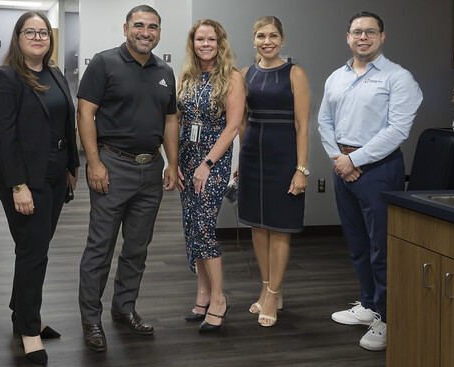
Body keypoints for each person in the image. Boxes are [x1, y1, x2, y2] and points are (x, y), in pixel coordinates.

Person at [317, 11, 423, 351]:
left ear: (382, 37)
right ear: (347, 37)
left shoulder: (398, 78)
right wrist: (339, 160)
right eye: (357, 32)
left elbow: (397, 131)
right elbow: (324, 121)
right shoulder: (336, 77)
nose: (364, 37)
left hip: (379, 169)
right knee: (358, 243)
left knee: (382, 248)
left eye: (371, 32)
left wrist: (354, 160)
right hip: (343, 167)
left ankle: (388, 318)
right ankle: (368, 304)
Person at [77, 4, 178, 352]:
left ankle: (124, 308)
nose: (145, 32)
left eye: (152, 27)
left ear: (159, 32)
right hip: (112, 165)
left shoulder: (165, 71)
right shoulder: (104, 63)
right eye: (139, 25)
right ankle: (91, 319)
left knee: (137, 248)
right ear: (126, 28)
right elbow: (85, 112)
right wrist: (94, 162)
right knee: (100, 248)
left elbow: (169, 120)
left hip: (151, 170)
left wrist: (172, 163)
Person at [0, 11, 79, 366]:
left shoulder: (55, 73)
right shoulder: (5, 77)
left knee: (34, 247)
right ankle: (29, 328)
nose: (38, 37)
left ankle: (20, 311)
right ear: (18, 36)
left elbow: (66, 122)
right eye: (31, 31)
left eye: (43, 32)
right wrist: (19, 185)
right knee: (33, 252)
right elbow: (5, 137)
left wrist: (72, 165)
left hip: (55, 174)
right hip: (23, 177)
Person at [237, 16, 310, 327]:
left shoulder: (295, 73)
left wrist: (301, 169)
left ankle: (273, 292)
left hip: (284, 158)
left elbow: (303, 126)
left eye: (273, 35)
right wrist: (241, 160)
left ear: (283, 39)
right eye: (261, 36)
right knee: (258, 226)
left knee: (280, 227)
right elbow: (240, 123)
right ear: (253, 40)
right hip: (253, 157)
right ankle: (269, 288)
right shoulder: (244, 74)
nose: (267, 41)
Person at [176, 19, 245, 332]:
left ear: (220, 43)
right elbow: (177, 120)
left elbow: (232, 127)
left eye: (211, 39)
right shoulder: (187, 76)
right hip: (187, 159)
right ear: (193, 43)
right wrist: (174, 161)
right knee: (192, 229)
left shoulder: (232, 77)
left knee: (204, 228)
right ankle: (202, 293)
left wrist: (206, 163)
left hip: (213, 161)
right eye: (199, 39)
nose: (205, 44)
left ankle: (218, 298)